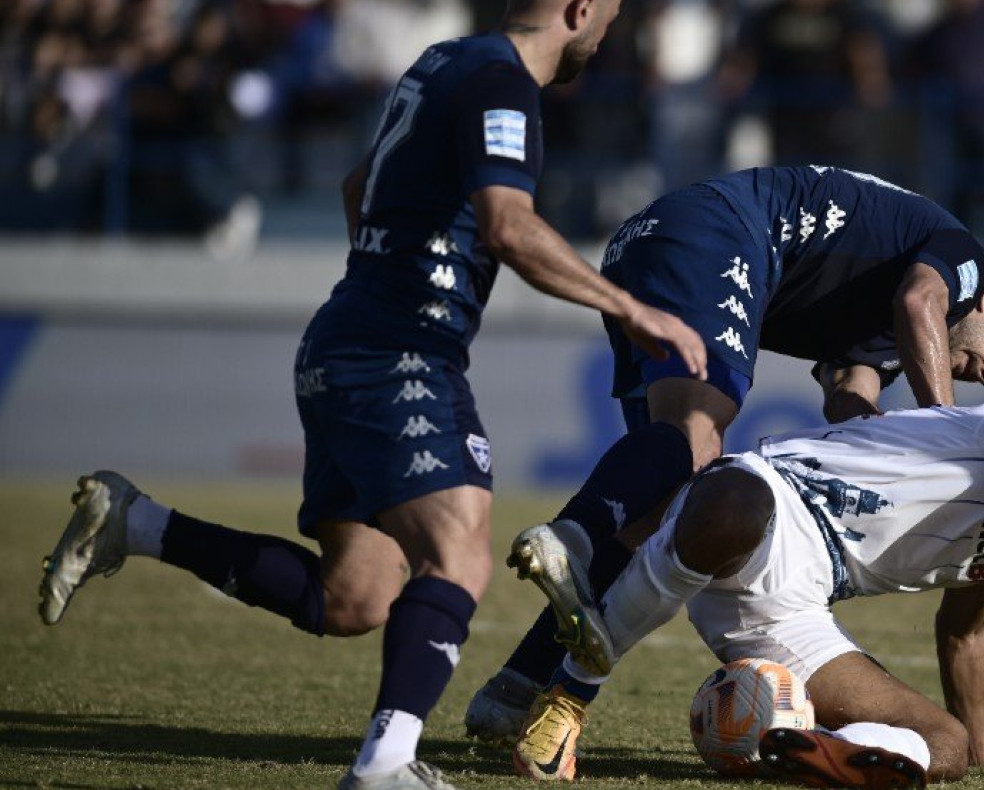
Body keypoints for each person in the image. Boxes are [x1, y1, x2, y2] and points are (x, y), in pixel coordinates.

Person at [35, 0, 707, 787]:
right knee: (457, 550)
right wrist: (631, 308)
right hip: (398, 350)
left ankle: (137, 523)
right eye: (609, 17)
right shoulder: (502, 84)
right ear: (579, 8)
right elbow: (508, 227)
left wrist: (385, 280)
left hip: (344, 337)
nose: (607, 35)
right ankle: (385, 766)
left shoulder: (442, 62)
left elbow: (361, 186)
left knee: (352, 597)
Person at [465, 165, 984, 750]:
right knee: (699, 433)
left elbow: (847, 398)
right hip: (718, 231)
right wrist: (952, 433)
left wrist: (895, 449)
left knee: (663, 506)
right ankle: (576, 535)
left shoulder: (881, 331)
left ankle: (516, 687)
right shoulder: (964, 260)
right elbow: (918, 304)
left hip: (647, 244)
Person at [506, 402, 984, 784]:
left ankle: (811, 746)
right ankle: (570, 696)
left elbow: (966, 633)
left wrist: (980, 747)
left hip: (791, 605)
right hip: (774, 499)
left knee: (939, 753)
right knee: (729, 509)